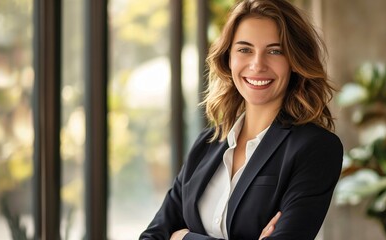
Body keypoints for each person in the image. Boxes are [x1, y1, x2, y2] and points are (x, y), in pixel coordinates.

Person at [140, 0, 343, 239]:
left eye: (275, 51)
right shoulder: (207, 143)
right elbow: (151, 236)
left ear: (294, 62)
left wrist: (182, 237)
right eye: (245, 49)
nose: (257, 64)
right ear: (228, 58)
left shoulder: (316, 148)